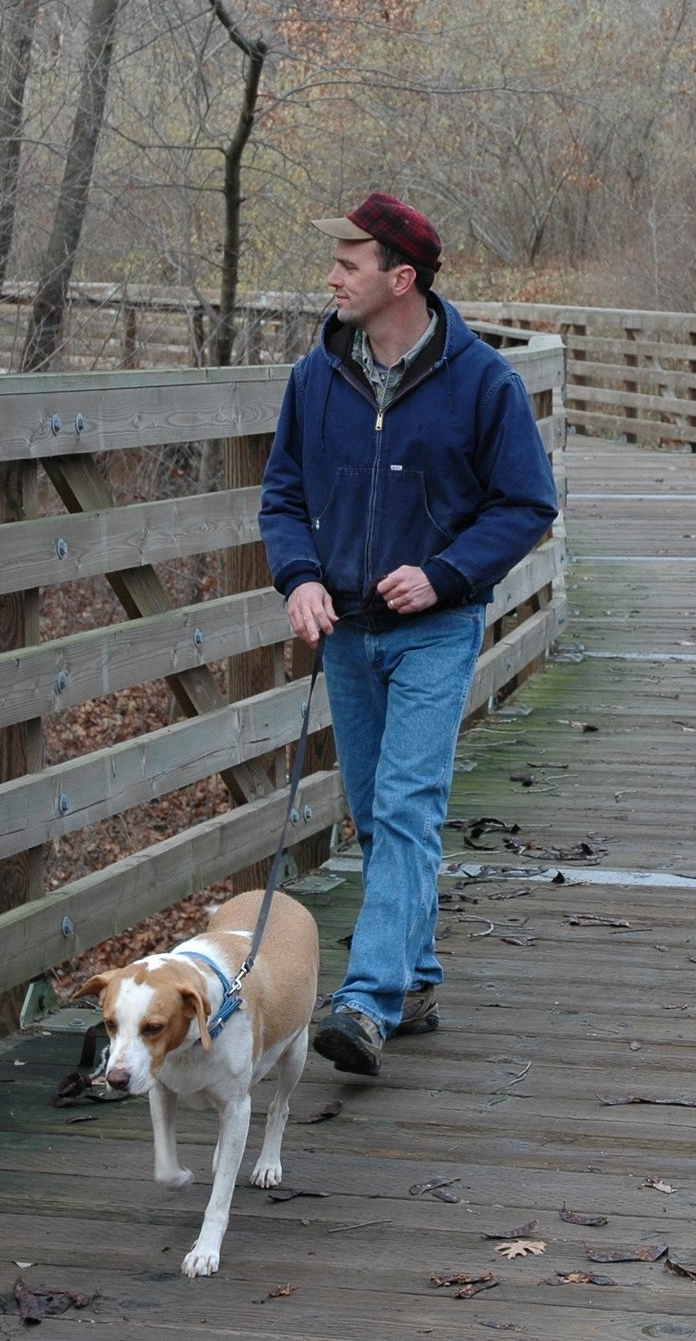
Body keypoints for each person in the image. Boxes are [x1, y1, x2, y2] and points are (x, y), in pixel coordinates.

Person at [258, 191, 559, 1076]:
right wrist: (301, 575)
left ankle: (367, 999)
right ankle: (417, 976)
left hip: (436, 629)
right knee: (373, 812)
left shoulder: (483, 383)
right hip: (346, 632)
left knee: (406, 804)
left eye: (348, 265)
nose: (331, 278)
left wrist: (445, 572)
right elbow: (282, 496)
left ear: (402, 278)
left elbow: (527, 504)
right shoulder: (318, 376)